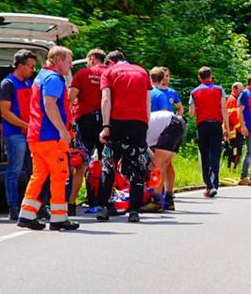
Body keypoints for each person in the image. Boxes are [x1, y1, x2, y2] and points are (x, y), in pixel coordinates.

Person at [16, 46, 78, 231]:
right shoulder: (54, 78)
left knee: (39, 175)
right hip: (50, 136)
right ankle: (59, 218)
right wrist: (62, 130)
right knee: (60, 175)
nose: (70, 65)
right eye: (68, 61)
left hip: (36, 136)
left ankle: (26, 215)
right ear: (58, 59)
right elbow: (49, 104)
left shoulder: (40, 77)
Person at [97, 51, 151, 223]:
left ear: (110, 62)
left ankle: (103, 207)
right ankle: (134, 210)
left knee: (109, 164)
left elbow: (106, 99)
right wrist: (145, 125)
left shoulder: (109, 72)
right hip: (139, 123)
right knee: (137, 166)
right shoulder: (143, 72)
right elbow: (147, 101)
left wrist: (105, 126)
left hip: (117, 122)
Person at [0, 49, 37, 220]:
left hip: (30, 133)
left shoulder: (28, 83)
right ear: (20, 66)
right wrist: (26, 126)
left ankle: (33, 206)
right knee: (14, 170)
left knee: (34, 171)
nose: (32, 70)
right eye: (30, 66)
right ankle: (13, 207)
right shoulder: (8, 84)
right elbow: (5, 112)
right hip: (16, 134)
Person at [69, 48, 106, 211]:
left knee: (81, 163)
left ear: (91, 59)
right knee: (107, 163)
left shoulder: (82, 74)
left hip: (85, 121)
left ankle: (70, 203)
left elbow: (70, 97)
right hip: (105, 122)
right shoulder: (110, 73)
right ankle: (103, 201)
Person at [189, 67, 227, 197]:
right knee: (215, 155)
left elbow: (192, 112)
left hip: (202, 125)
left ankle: (208, 185)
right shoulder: (219, 90)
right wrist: (226, 127)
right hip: (216, 124)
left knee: (204, 155)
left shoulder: (194, 92)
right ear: (211, 76)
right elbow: (224, 110)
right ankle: (214, 184)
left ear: (199, 78)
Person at [146, 109, 186, 211]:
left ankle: (156, 201)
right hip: (178, 122)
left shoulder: (138, 132)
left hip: (170, 124)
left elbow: (149, 155)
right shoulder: (141, 122)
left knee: (157, 164)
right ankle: (169, 199)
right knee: (166, 164)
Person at [224, 82, 244, 172]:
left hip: (235, 130)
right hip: (234, 130)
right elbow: (232, 116)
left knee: (235, 149)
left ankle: (233, 168)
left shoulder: (234, 99)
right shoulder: (232, 100)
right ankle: (232, 168)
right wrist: (240, 128)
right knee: (235, 150)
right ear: (235, 89)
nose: (242, 92)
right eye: (240, 90)